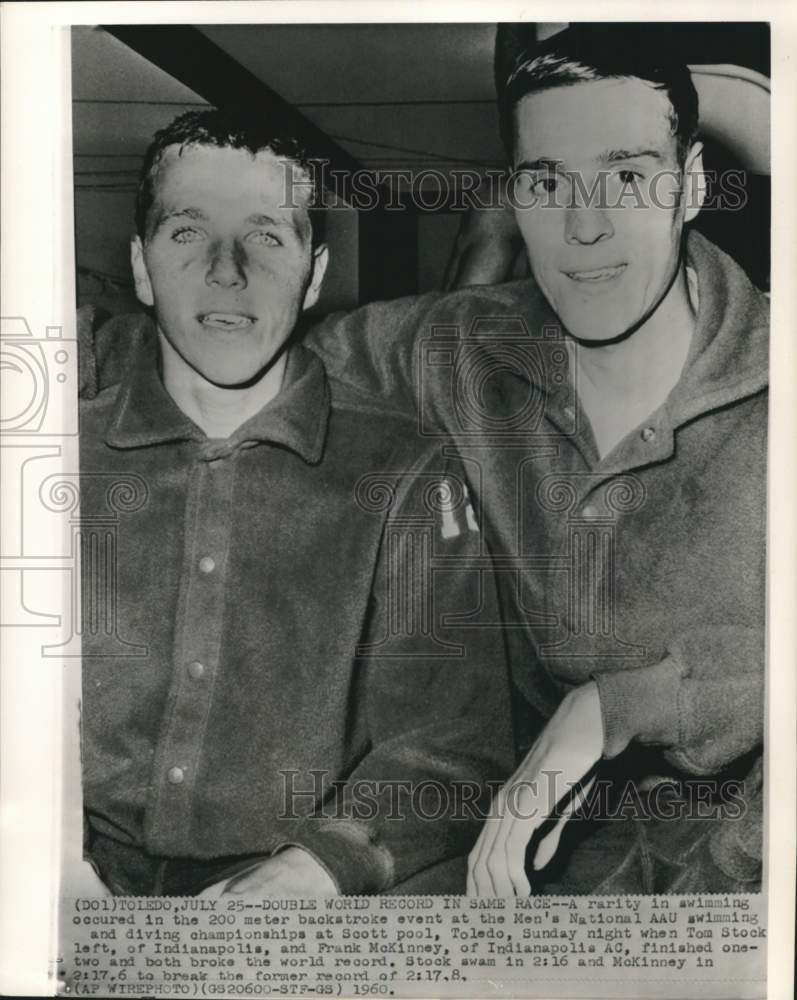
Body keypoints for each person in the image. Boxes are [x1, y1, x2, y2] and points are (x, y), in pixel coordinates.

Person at [81, 24, 766, 896]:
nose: (584, 227)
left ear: (691, 185)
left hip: (740, 873)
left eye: (627, 176)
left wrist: (620, 705)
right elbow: (251, 337)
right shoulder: (463, 346)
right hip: (520, 874)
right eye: (545, 182)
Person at [76, 109, 513, 897]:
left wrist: (316, 869)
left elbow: (451, 742)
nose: (227, 271)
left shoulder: (405, 471)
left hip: (292, 893)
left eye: (267, 237)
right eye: (186, 233)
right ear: (140, 267)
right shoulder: (49, 455)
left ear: (312, 275)